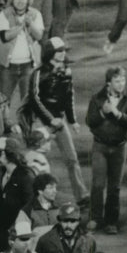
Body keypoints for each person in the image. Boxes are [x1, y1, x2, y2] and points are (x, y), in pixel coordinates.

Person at [21, 37, 88, 206]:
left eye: (64, 50)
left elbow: (68, 97)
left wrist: (72, 121)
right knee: (35, 162)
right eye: (59, 51)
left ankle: (81, 195)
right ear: (51, 53)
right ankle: (34, 198)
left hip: (59, 122)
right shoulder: (38, 74)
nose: (63, 53)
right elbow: (35, 100)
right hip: (41, 121)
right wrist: (51, 120)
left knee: (72, 159)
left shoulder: (66, 71)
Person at [85, 66, 127, 235]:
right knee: (98, 184)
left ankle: (111, 221)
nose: (121, 84)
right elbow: (90, 121)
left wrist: (117, 114)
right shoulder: (97, 99)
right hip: (100, 146)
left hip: (119, 147)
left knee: (115, 187)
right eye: (117, 81)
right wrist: (103, 112)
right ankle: (95, 217)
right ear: (109, 83)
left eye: (123, 80)